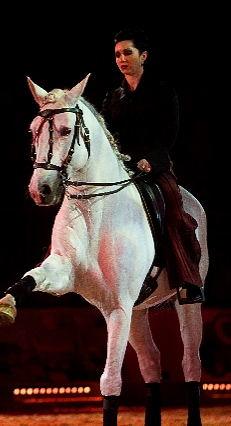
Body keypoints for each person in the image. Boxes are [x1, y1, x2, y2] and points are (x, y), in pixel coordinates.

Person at [100, 28, 204, 304]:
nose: (121, 58)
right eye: (117, 54)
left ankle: (188, 279)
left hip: (153, 164)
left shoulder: (162, 90)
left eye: (127, 52)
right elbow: (106, 135)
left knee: (173, 207)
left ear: (143, 56)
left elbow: (170, 131)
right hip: (122, 166)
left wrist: (153, 159)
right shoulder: (112, 97)